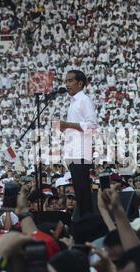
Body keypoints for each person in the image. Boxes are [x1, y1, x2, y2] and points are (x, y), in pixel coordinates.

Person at [59, 70, 98, 217]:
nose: (67, 84)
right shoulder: (73, 103)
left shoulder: (84, 100)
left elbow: (92, 125)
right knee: (79, 191)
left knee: (83, 191)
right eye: (66, 81)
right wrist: (65, 129)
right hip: (73, 151)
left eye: (70, 81)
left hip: (81, 152)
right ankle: (84, 220)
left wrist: (67, 124)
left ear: (80, 83)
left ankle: (88, 221)